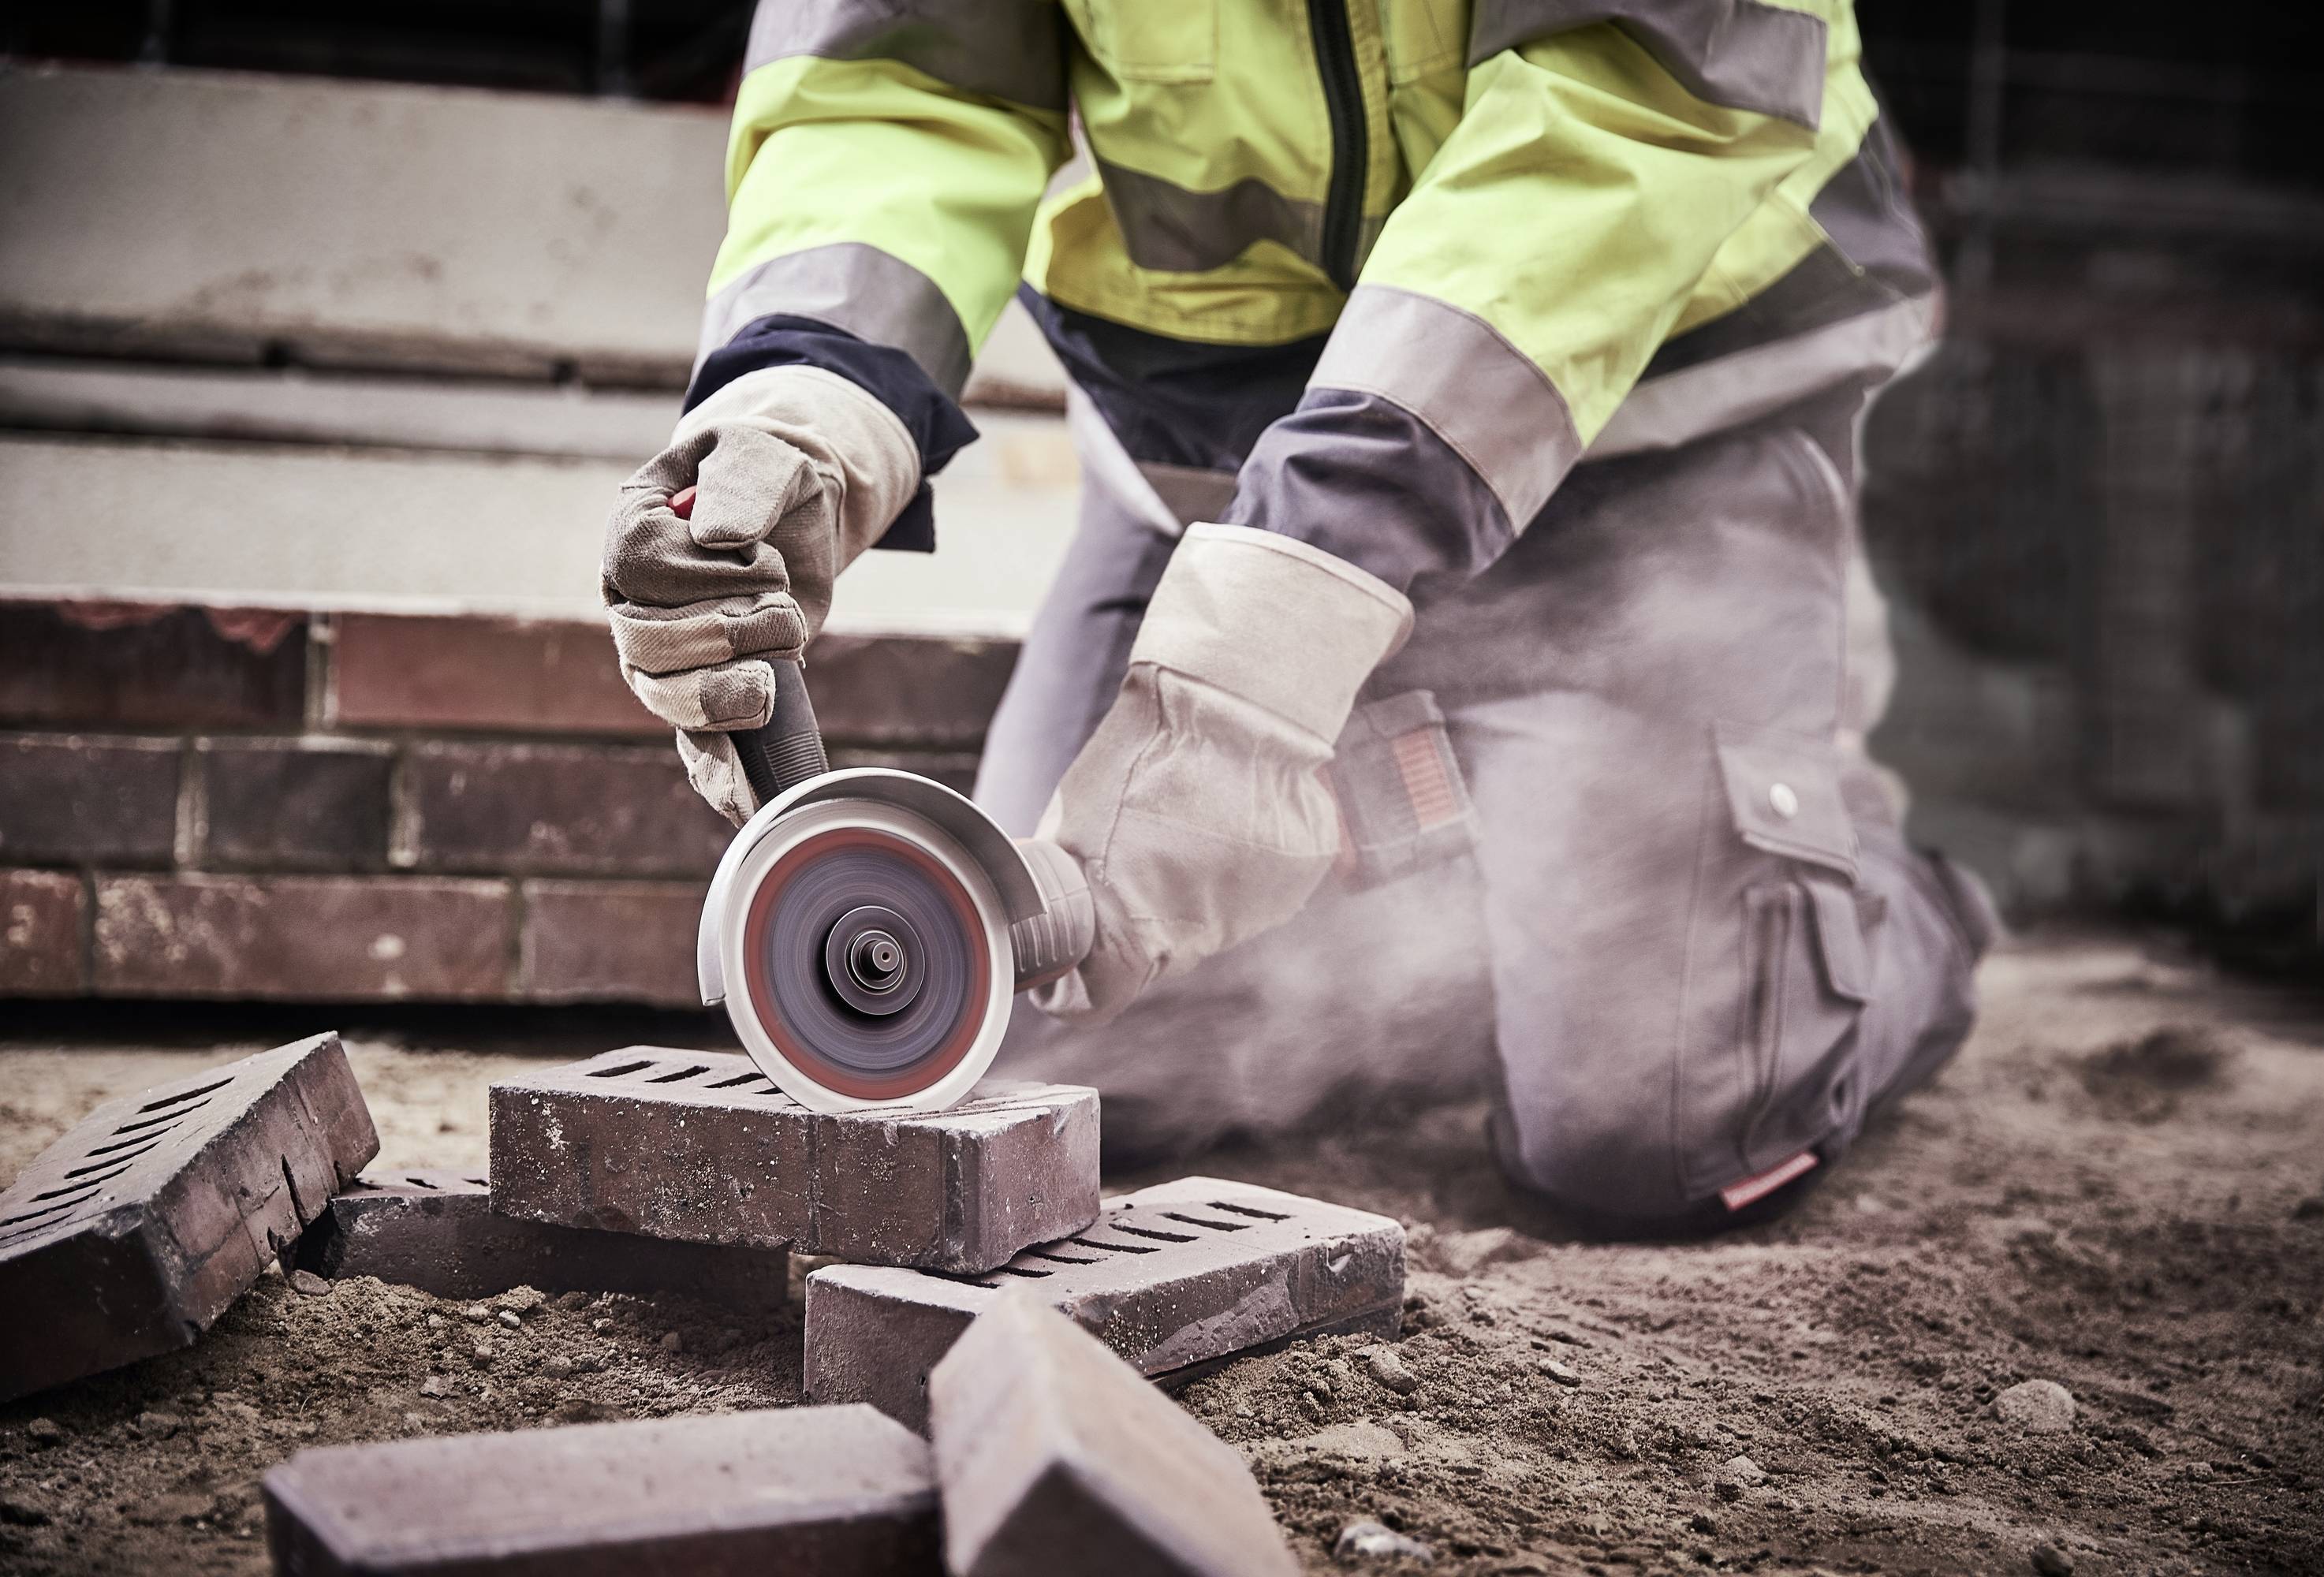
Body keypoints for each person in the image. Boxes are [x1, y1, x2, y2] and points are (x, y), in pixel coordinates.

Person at [602, 0, 1995, 1234]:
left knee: (1656, 1131)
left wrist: (1293, 601)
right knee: (1036, 1043)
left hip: (1649, 453)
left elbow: (1640, 86)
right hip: (1205, 476)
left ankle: (1866, 886)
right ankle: (1480, 887)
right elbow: (897, 76)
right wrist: (807, 395)